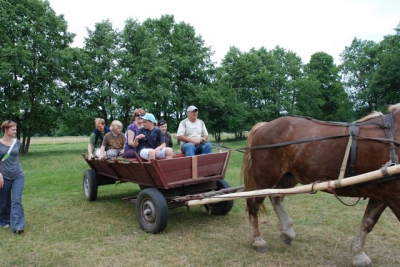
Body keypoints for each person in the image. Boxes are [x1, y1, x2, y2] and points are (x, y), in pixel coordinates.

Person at [0, 120, 25, 234]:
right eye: (13, 129)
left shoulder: (17, 143)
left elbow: (15, 157)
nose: (15, 131)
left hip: (18, 176)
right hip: (3, 176)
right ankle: (4, 220)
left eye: (15, 129)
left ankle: (18, 226)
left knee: (16, 200)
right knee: (4, 201)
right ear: (6, 130)